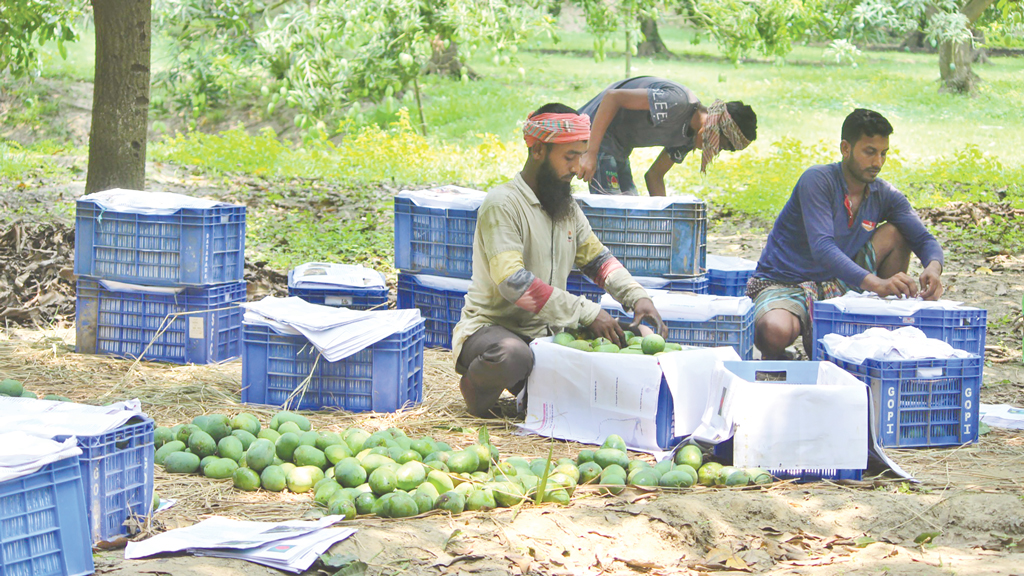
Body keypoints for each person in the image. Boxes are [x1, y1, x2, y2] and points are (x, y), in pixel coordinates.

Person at [451, 103, 669, 418]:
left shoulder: (567, 206)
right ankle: (475, 390)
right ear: (538, 150)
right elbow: (514, 284)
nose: (580, 167)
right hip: (494, 330)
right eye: (570, 157)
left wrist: (638, 297)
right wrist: (587, 312)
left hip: (550, 331)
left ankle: (536, 390)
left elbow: (599, 261)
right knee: (513, 355)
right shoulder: (502, 204)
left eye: (582, 155)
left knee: (633, 338)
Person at [748, 108, 944, 360]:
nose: (878, 163)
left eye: (883, 153)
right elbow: (822, 248)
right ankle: (781, 357)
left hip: (839, 279)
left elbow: (924, 239)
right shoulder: (817, 180)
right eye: (870, 152)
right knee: (774, 331)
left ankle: (881, 323)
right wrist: (877, 284)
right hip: (786, 281)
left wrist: (934, 268)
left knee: (897, 232)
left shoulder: (883, 193)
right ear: (845, 148)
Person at [576, 76, 757, 196]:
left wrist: (665, 223)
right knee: (614, 213)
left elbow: (655, 175)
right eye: (722, 146)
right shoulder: (677, 103)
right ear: (717, 128)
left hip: (619, 149)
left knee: (629, 208)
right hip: (595, 135)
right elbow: (613, 98)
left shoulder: (688, 140)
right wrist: (591, 153)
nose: (716, 151)